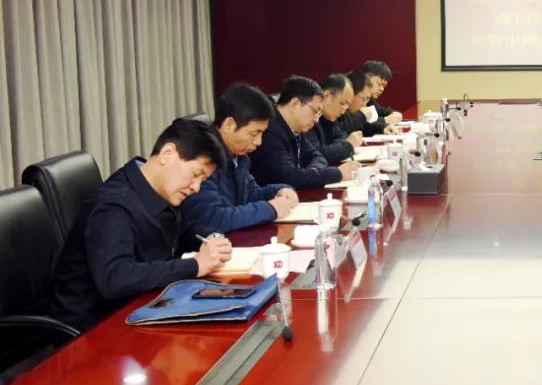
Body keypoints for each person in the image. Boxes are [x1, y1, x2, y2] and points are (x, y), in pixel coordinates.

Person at [50, 118, 233, 331]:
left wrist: (211, 237)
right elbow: (115, 278)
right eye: (195, 175)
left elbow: (182, 229)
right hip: (95, 327)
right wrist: (195, 266)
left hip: (143, 307)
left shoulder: (159, 188)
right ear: (167, 153)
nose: (196, 187)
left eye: (203, 180)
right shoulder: (113, 206)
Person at [181, 83, 300, 232]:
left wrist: (280, 190)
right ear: (228, 125)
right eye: (254, 133)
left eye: (262, 134)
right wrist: (270, 208)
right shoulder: (203, 158)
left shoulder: (239, 156)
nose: (259, 142)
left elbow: (250, 194)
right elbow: (211, 218)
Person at [249, 75, 362, 189]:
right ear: (294, 104)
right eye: (315, 111)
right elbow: (290, 177)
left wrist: (313, 173)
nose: (316, 120)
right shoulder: (268, 131)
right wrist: (338, 174)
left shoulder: (295, 127)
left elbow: (317, 156)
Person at [310, 73, 365, 164]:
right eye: (342, 103)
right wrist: (348, 146)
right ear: (326, 96)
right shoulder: (309, 116)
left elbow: (341, 136)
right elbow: (317, 154)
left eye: (346, 106)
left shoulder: (328, 116)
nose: (343, 111)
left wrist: (344, 145)